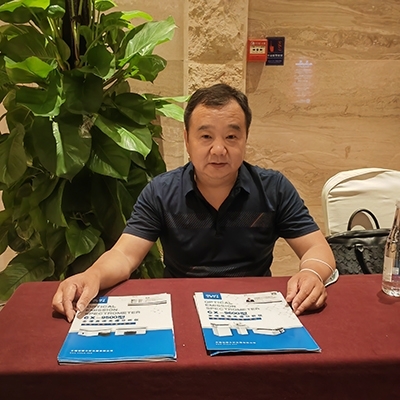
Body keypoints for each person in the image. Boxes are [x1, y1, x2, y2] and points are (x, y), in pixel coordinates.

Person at [52, 83, 336, 322]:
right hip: (182, 311)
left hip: (254, 311)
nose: (219, 149)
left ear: (245, 139)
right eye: (206, 136)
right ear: (187, 140)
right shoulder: (161, 192)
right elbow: (125, 255)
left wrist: (311, 273)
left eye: (231, 136)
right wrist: (92, 275)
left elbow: (316, 247)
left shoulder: (273, 189)